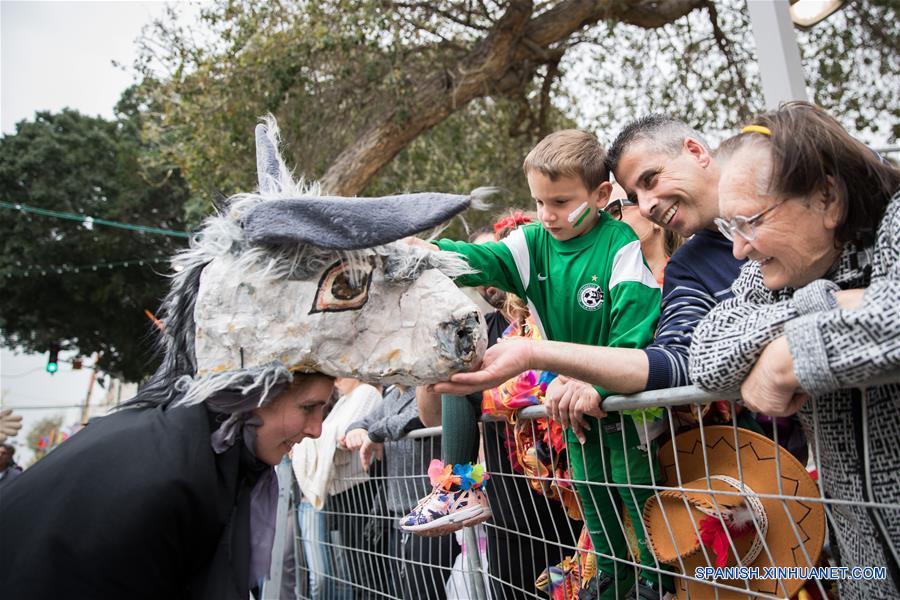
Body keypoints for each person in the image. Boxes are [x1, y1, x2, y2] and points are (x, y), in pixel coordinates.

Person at [415, 129, 663, 598]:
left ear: (602, 194)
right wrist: (428, 253)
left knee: (630, 481)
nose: (547, 214)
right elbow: (479, 259)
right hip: (571, 398)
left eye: (560, 201)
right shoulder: (532, 243)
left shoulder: (620, 246)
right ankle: (611, 571)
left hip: (623, 399)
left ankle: (655, 575)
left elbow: (635, 329)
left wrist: (602, 381)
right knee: (588, 482)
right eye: (539, 201)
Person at [689, 101, 900, 600]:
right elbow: (706, 351)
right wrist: (817, 304)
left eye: (750, 222)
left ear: (827, 197)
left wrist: (786, 359)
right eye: (728, 228)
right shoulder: (786, 274)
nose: (738, 249)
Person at [344, 384, 459, 600]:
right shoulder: (392, 398)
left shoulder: (426, 388)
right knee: (403, 590)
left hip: (433, 513)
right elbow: (361, 423)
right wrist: (357, 431)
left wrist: (376, 432)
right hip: (399, 515)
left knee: (424, 591)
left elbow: (420, 418)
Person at [292, 377, 382, 599]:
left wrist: (307, 443)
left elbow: (339, 436)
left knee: (366, 570)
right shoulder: (345, 400)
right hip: (342, 492)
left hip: (360, 491)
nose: (337, 378)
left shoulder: (367, 393)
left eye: (343, 372)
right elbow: (329, 434)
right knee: (354, 570)